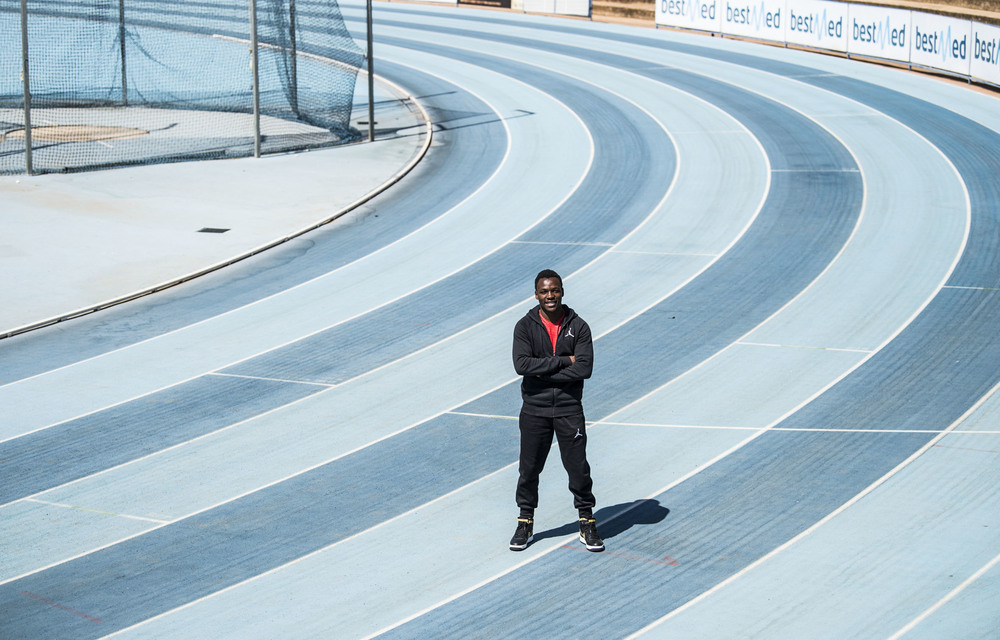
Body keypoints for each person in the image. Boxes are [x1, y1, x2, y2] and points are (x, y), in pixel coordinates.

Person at [509, 269, 603, 552]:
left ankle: (586, 519)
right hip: (534, 410)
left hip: (568, 409)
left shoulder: (580, 327)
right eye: (544, 291)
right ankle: (525, 520)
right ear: (536, 294)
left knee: (578, 469)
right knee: (528, 470)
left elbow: (584, 368)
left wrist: (544, 371)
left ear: (562, 291)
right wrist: (564, 362)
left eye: (555, 290)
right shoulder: (524, 327)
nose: (550, 296)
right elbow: (521, 366)